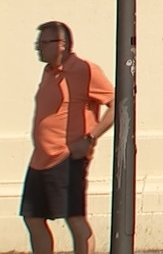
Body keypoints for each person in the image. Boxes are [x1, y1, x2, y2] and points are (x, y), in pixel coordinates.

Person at [22, 20, 115, 254]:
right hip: (40, 159)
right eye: (38, 42)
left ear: (61, 44)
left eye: (43, 42)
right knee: (33, 217)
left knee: (75, 218)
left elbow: (118, 104)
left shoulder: (85, 70)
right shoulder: (49, 71)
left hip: (66, 157)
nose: (37, 47)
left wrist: (90, 138)